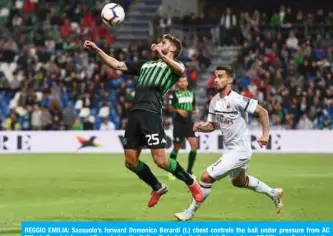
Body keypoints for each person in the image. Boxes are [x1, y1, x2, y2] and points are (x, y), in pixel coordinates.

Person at [83, 34, 203, 208]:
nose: (158, 44)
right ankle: (157, 186)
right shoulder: (145, 64)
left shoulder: (174, 67)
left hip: (151, 113)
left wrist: (161, 56)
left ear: (172, 49)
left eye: (164, 43)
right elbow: (116, 64)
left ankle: (191, 182)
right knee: (130, 162)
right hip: (135, 114)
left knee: (161, 161)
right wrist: (97, 51)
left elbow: (181, 70)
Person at [174, 66, 284, 221]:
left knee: (206, 177)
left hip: (240, 151)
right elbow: (212, 126)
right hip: (231, 150)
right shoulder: (214, 101)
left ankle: (189, 212)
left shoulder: (237, 99)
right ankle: (273, 193)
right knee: (239, 182)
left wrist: (265, 135)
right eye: (215, 76)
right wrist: (201, 127)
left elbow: (262, 112)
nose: (216, 80)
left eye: (220, 76)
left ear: (229, 80)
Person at [167, 77, 199, 180]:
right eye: (180, 81)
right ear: (177, 83)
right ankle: (171, 172)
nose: (182, 82)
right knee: (176, 148)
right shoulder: (174, 94)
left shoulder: (191, 94)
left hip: (189, 124)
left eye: (184, 80)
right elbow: (168, 108)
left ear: (187, 82)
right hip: (178, 124)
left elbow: (194, 106)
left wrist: (195, 110)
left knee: (194, 146)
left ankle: (189, 171)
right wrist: (178, 110)